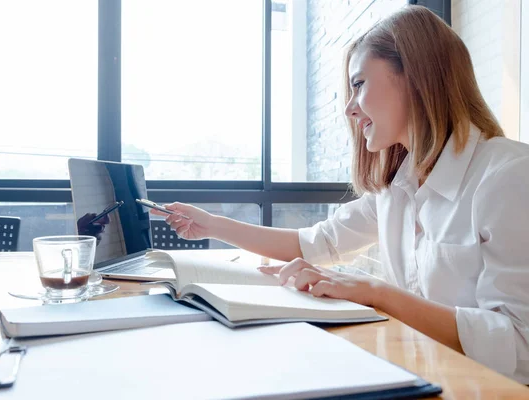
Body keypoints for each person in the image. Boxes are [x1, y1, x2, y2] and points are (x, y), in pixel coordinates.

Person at [150, 5, 529, 383]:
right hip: (430, 375)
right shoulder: (398, 189)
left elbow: (520, 344)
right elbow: (315, 242)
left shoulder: (507, 176)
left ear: (415, 75)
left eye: (359, 84)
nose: (349, 108)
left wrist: (377, 293)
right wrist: (212, 225)